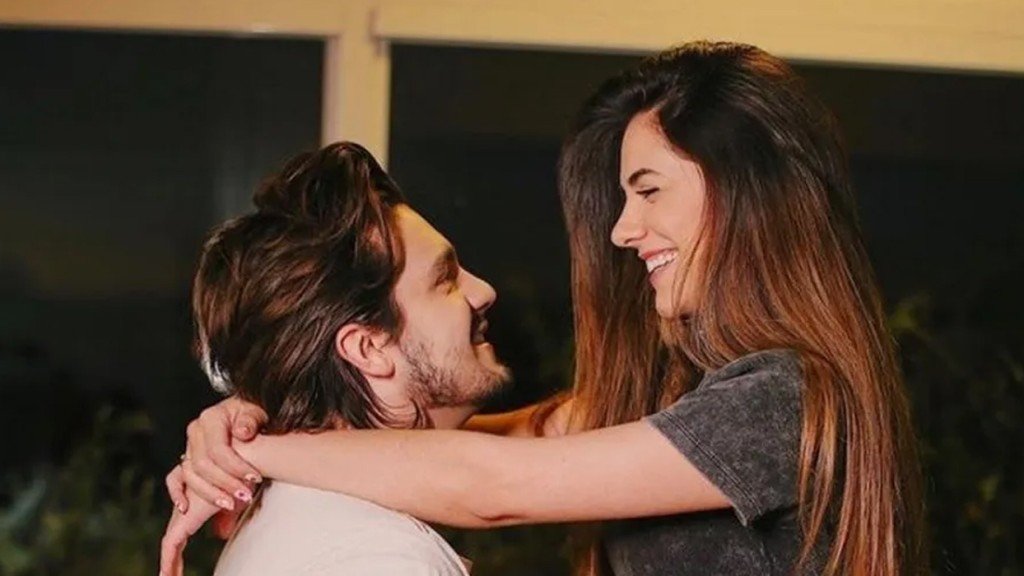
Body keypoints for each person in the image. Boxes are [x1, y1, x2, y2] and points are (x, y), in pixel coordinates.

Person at [162, 41, 927, 576]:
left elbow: (501, 487)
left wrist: (261, 453)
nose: (622, 231)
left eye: (648, 191)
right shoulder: (698, 398)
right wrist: (258, 423)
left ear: (743, 195)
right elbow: (525, 437)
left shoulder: (784, 400)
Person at [165, 141, 511, 575]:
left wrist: (256, 446)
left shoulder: (300, 517)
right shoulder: (383, 558)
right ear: (367, 348)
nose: (483, 291)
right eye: (445, 280)